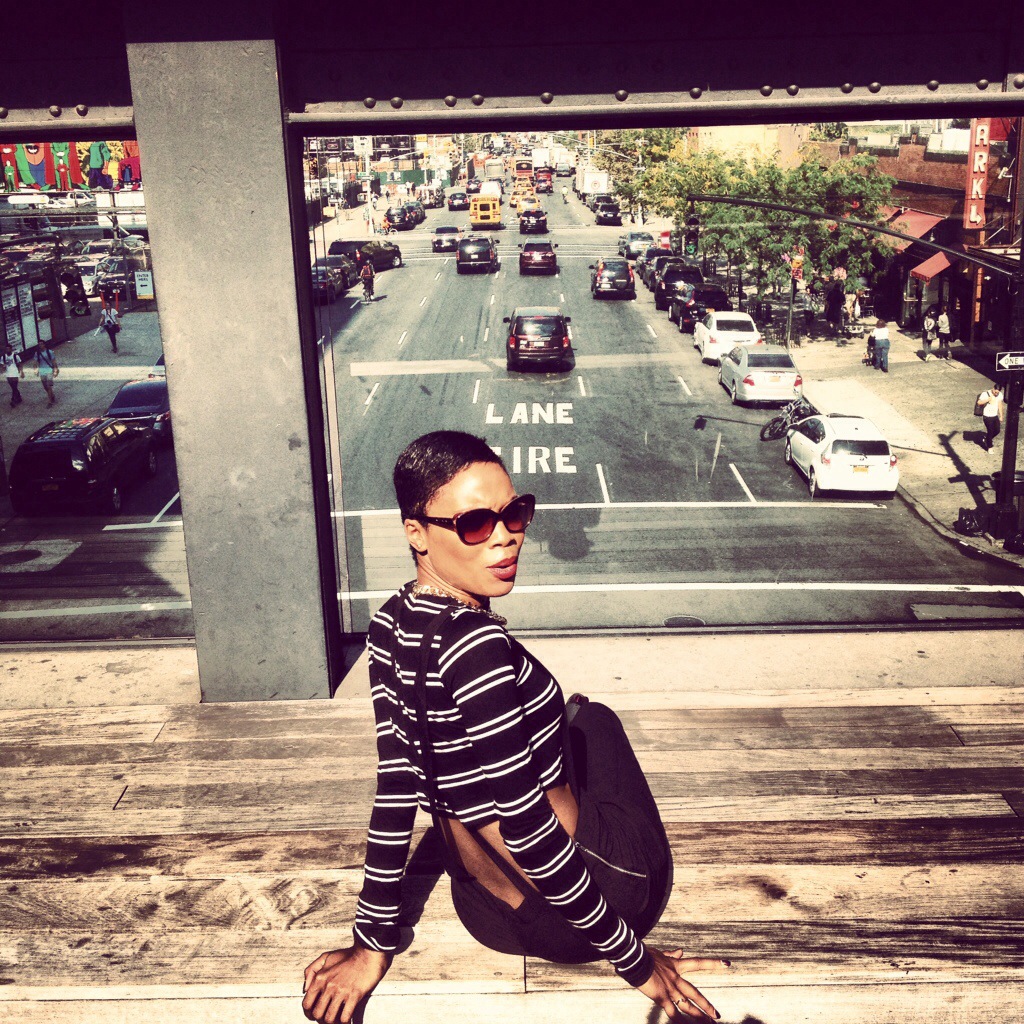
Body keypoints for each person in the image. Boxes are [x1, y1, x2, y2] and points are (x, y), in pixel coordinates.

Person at [301, 431, 727, 1024]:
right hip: (606, 897)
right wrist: (641, 967)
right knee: (593, 720)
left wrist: (371, 944)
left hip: (489, 916)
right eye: (475, 523)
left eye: (515, 513)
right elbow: (529, 835)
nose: (505, 537)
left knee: (561, 723)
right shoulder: (477, 647)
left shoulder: (388, 625)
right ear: (416, 532)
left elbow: (396, 787)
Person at [977, 384, 1005, 453]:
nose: (996, 394)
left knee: (997, 430)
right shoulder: (985, 394)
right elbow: (979, 402)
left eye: (997, 392)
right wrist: (987, 399)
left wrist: (1001, 416)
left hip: (995, 416)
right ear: (993, 388)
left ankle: (987, 439)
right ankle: (990, 447)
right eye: (995, 392)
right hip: (987, 416)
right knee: (990, 431)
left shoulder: (1000, 395)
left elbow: (1000, 405)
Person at [35, 339, 58, 405]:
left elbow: (53, 361)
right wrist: (36, 369)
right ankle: (52, 395)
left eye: (41, 344)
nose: (40, 345)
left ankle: (50, 401)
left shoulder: (49, 352)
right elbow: (35, 362)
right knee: (45, 386)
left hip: (49, 370)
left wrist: (55, 370)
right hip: (42, 371)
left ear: (44, 344)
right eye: (39, 344)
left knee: (48, 386)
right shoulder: (37, 353)